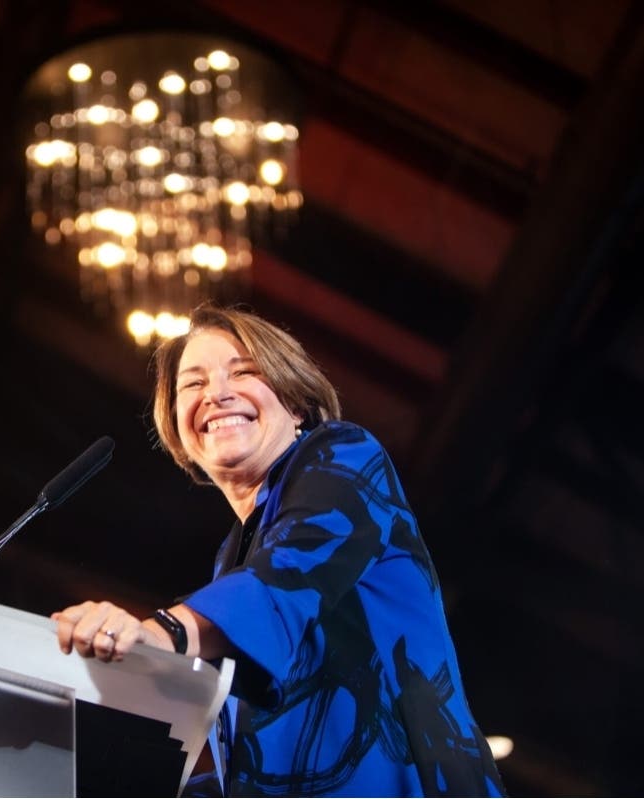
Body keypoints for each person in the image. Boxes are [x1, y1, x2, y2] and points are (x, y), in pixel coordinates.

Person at [53, 305, 505, 797]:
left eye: (244, 372)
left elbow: (291, 571)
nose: (217, 395)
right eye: (193, 384)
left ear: (296, 404)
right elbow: (257, 760)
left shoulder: (346, 458)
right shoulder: (233, 558)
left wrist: (160, 633)